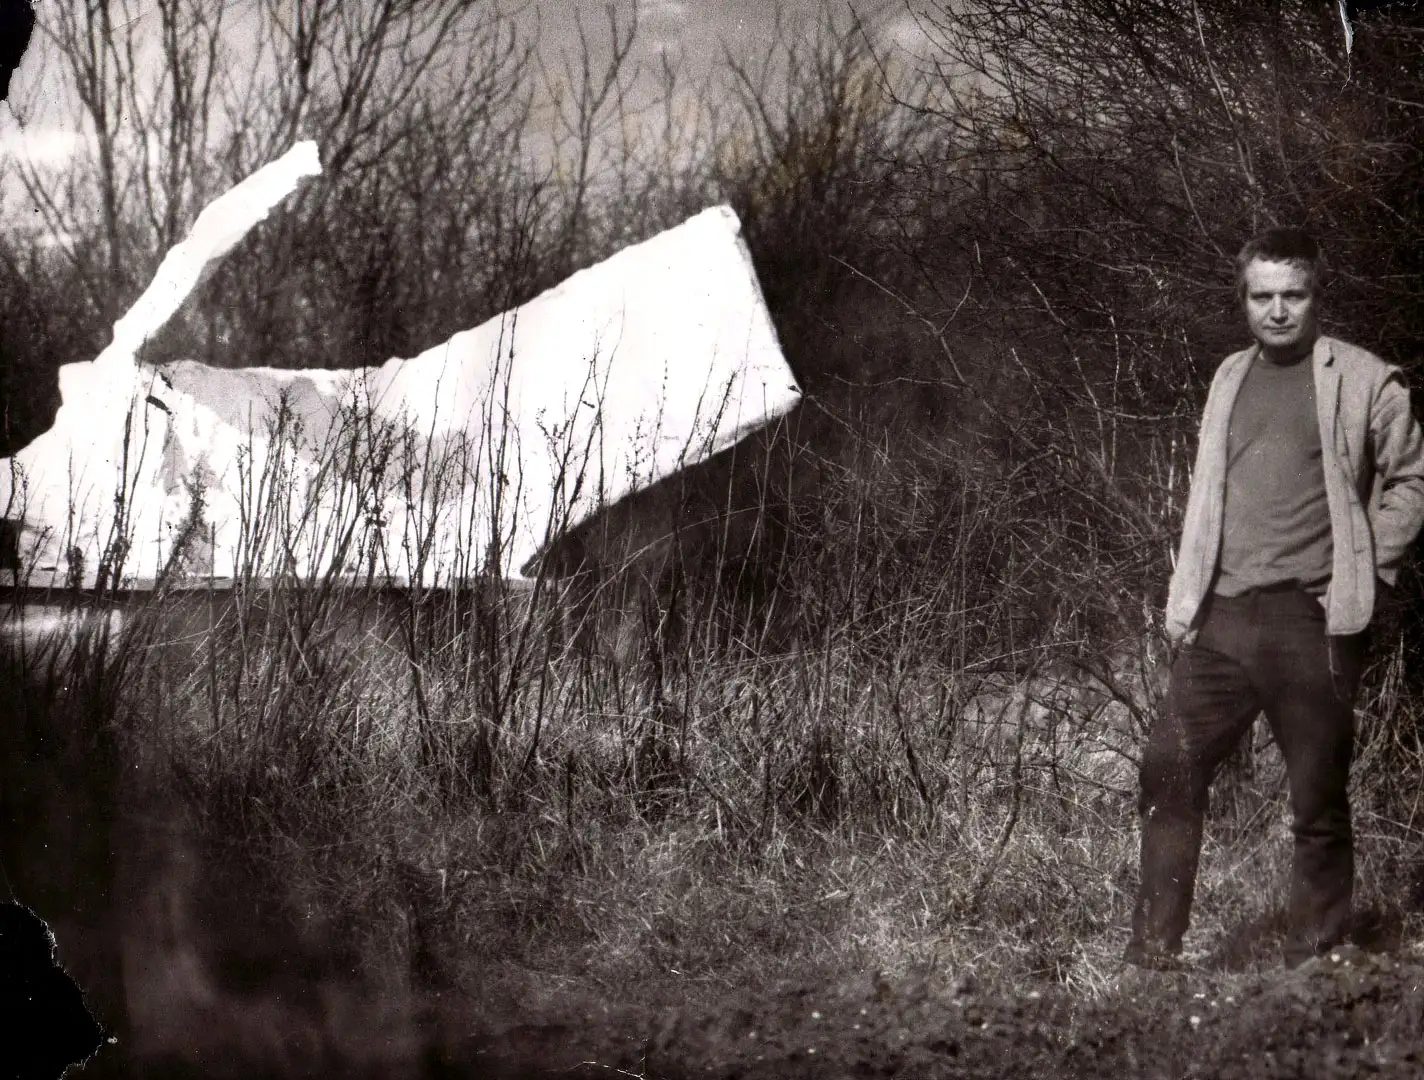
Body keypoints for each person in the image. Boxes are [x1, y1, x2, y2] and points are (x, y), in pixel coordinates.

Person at [1125, 227, 1424, 969]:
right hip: (1221, 616)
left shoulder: (1365, 379)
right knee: (1168, 764)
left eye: (1294, 295)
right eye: (1263, 296)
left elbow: (1412, 484)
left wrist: (1362, 569)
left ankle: (1316, 965)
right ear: (1244, 300)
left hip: (1309, 618)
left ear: (1317, 295)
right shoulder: (1229, 375)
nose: (1279, 311)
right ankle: (1153, 954)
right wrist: (1187, 602)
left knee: (1316, 796)